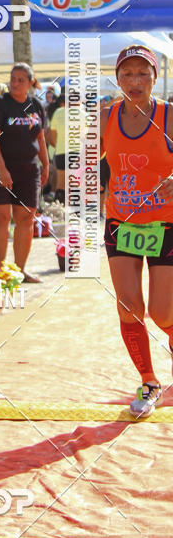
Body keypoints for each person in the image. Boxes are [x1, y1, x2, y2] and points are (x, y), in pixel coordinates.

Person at [102, 45, 173, 417]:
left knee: (163, 313)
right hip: (121, 224)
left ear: (154, 77)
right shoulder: (106, 115)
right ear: (118, 79)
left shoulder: (169, 115)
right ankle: (149, 380)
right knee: (130, 307)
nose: (135, 81)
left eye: (142, 73)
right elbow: (82, 161)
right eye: (127, 74)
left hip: (166, 224)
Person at [0, 63, 49, 283]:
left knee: (26, 219)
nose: (15, 83)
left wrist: (45, 165)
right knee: (0, 219)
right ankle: (0, 272)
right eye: (13, 78)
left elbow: (40, 137)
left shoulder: (35, 105)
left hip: (27, 169)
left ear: (30, 82)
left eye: (20, 80)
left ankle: (19, 271)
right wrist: (2, 171)